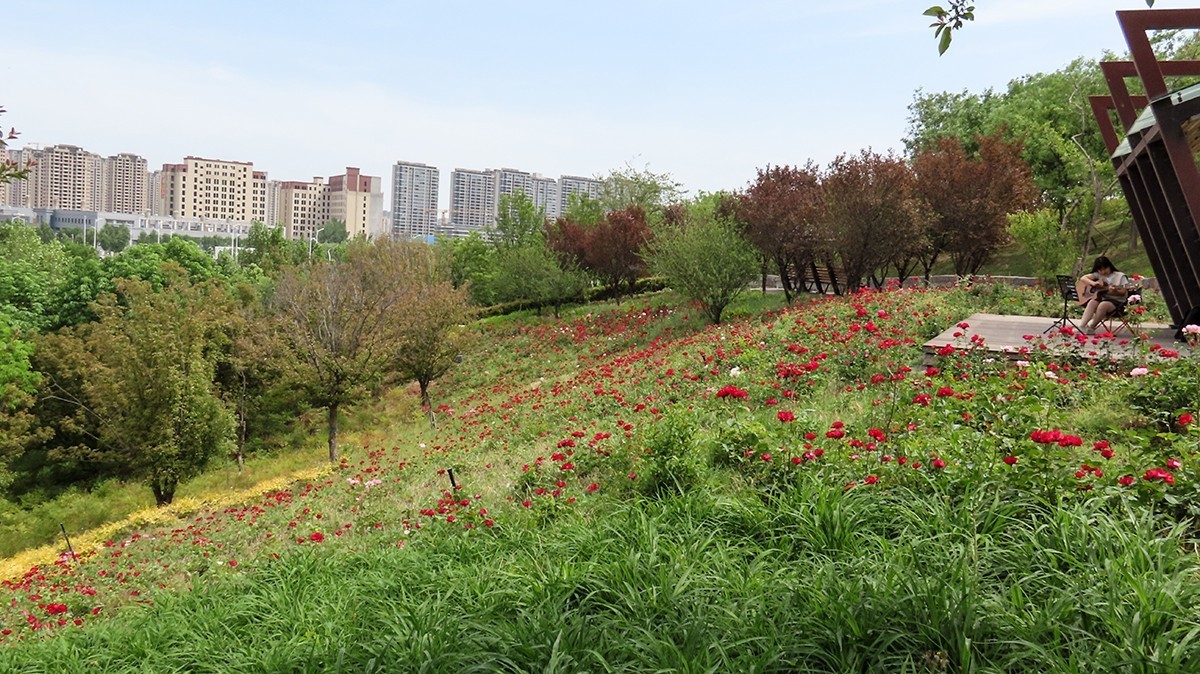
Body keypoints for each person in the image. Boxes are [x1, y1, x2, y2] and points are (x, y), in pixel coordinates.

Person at [1078, 255, 1130, 334]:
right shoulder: (1098, 275)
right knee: (1092, 302)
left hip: (1117, 302)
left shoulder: (1120, 276)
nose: (1103, 272)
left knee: (1103, 305)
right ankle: (1082, 326)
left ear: (1109, 266)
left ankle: (1092, 327)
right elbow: (1083, 278)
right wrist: (1093, 283)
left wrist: (1115, 291)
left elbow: (1123, 292)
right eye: (1100, 270)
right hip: (1103, 298)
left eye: (1105, 269)